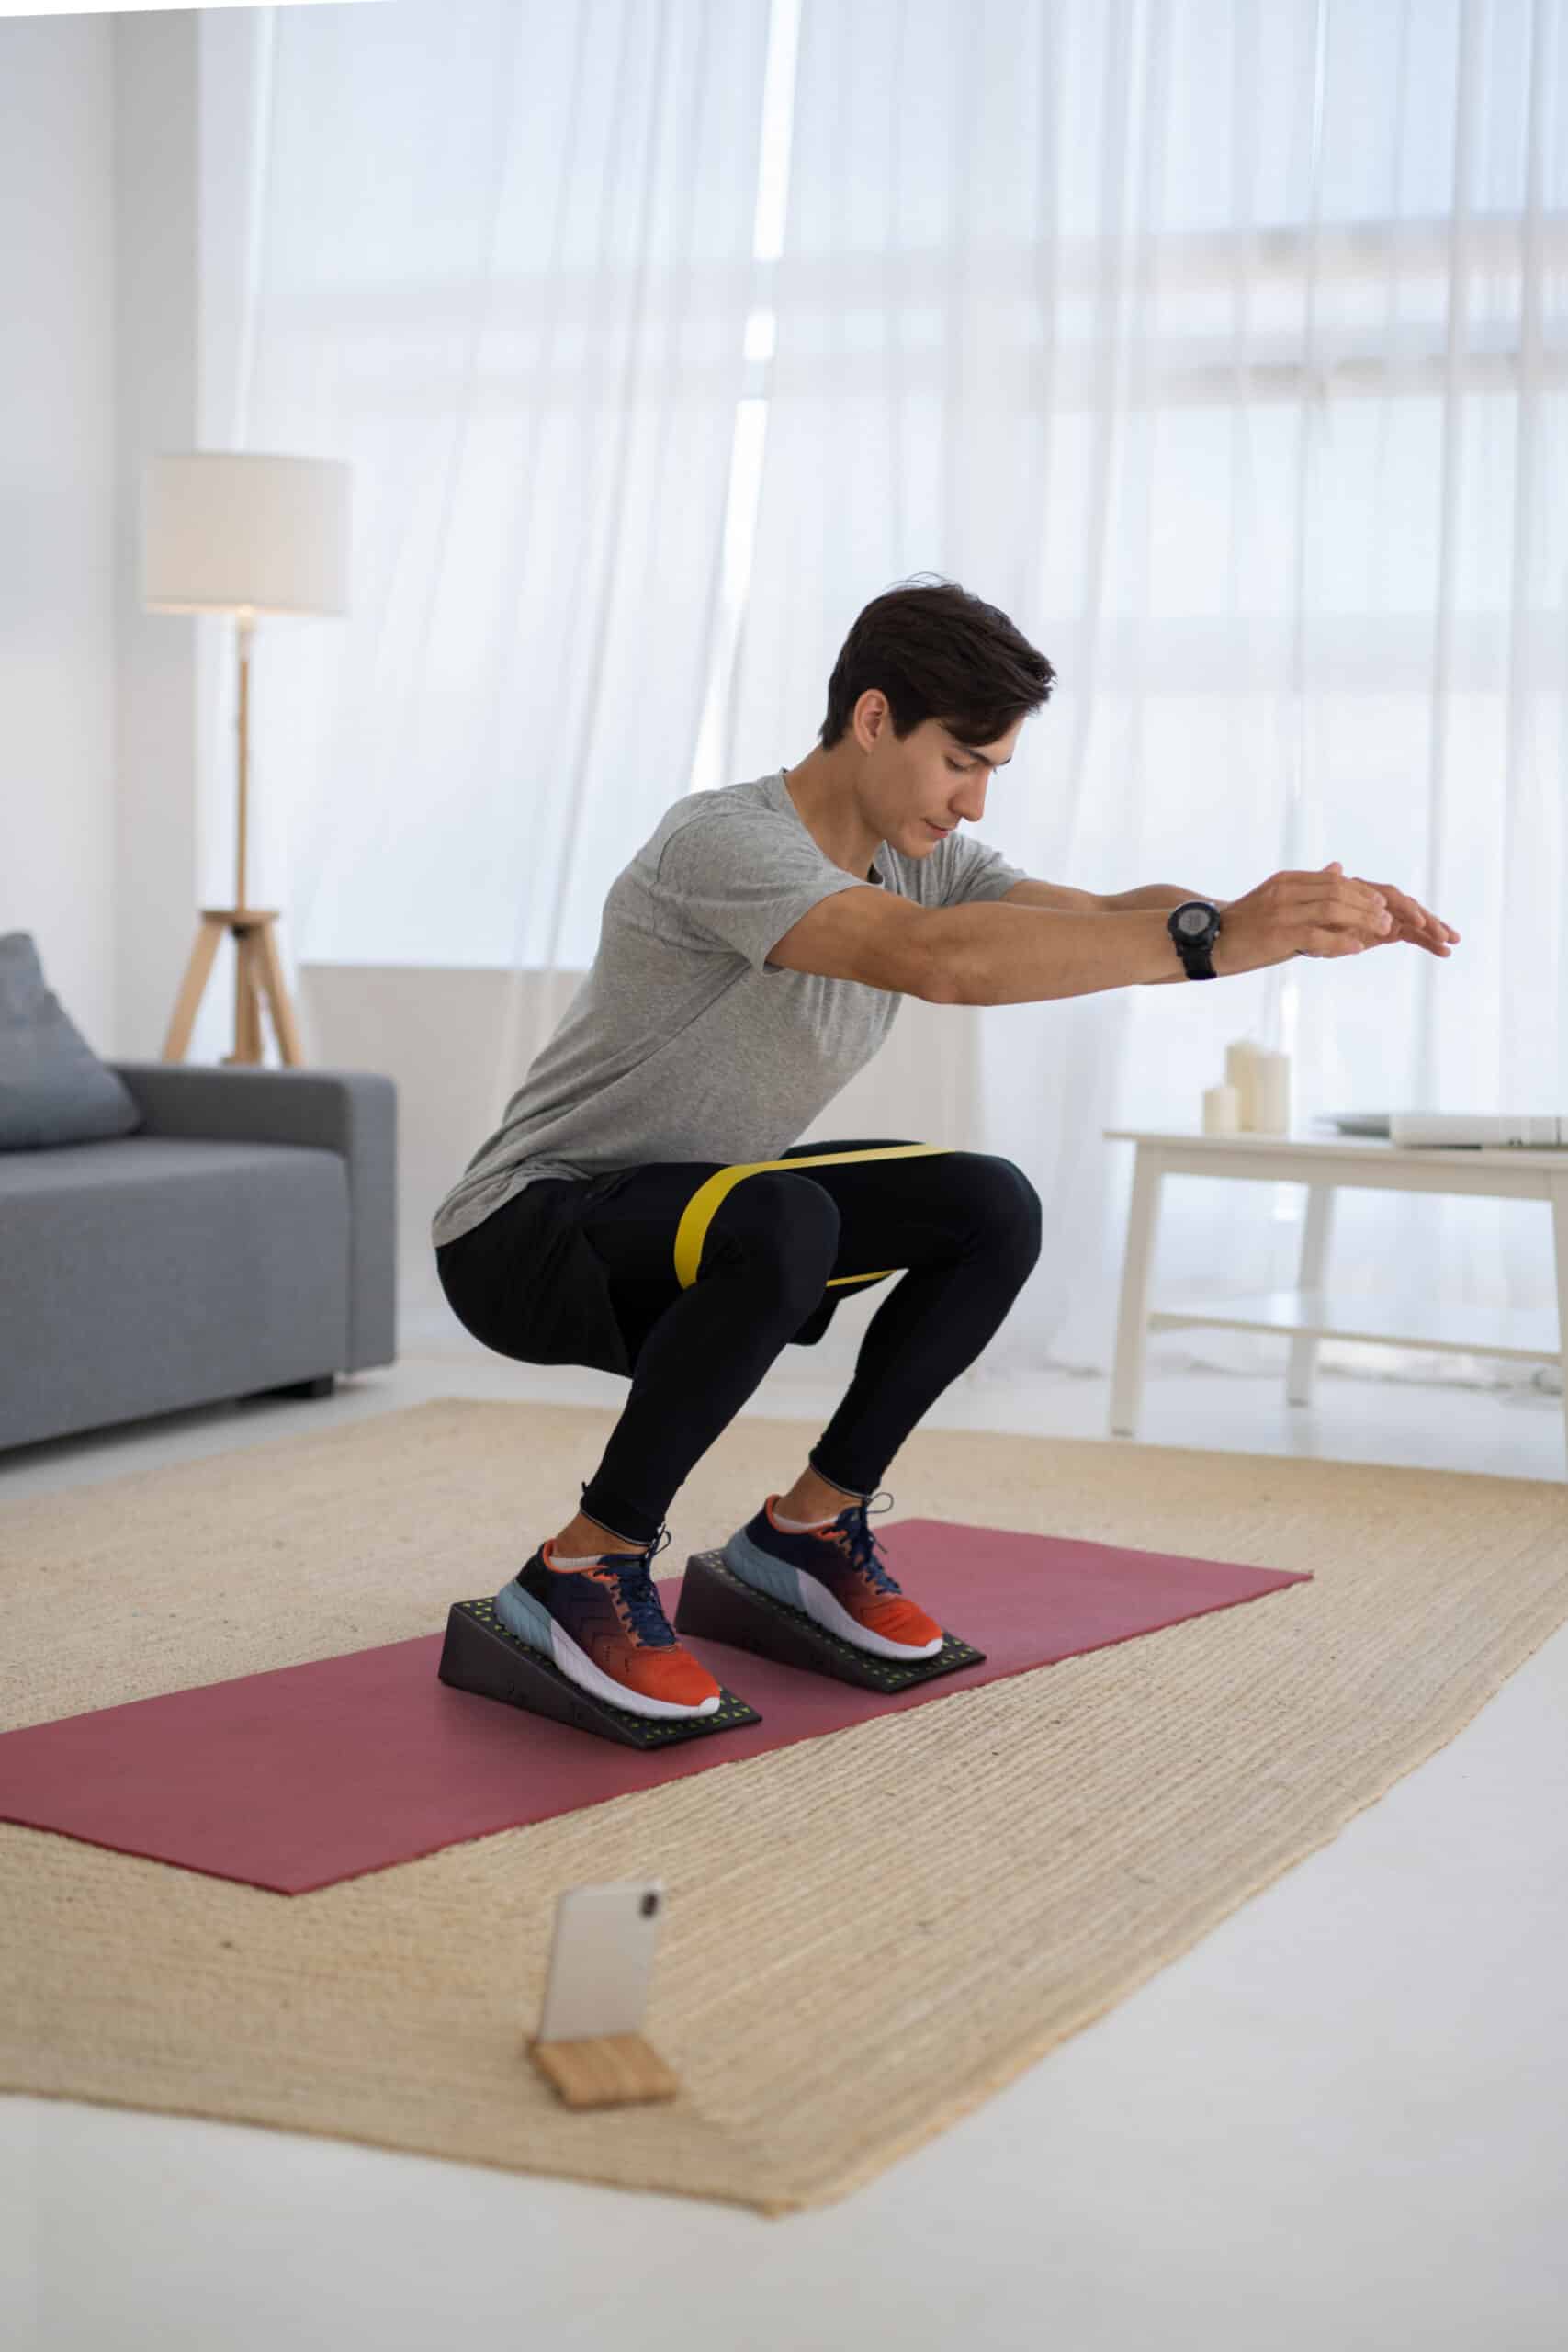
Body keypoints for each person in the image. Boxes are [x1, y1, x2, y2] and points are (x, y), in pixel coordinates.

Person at [432, 577, 1459, 1724]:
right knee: (787, 1219)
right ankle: (584, 1568)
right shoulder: (724, 839)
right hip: (525, 1231)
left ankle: (808, 1530)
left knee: (990, 1204)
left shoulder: (928, 861)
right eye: (960, 760)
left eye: (992, 773)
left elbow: (1101, 914)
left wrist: (1281, 914)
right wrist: (1217, 939)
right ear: (873, 719)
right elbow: (941, 962)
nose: (971, 802)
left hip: (698, 1208)